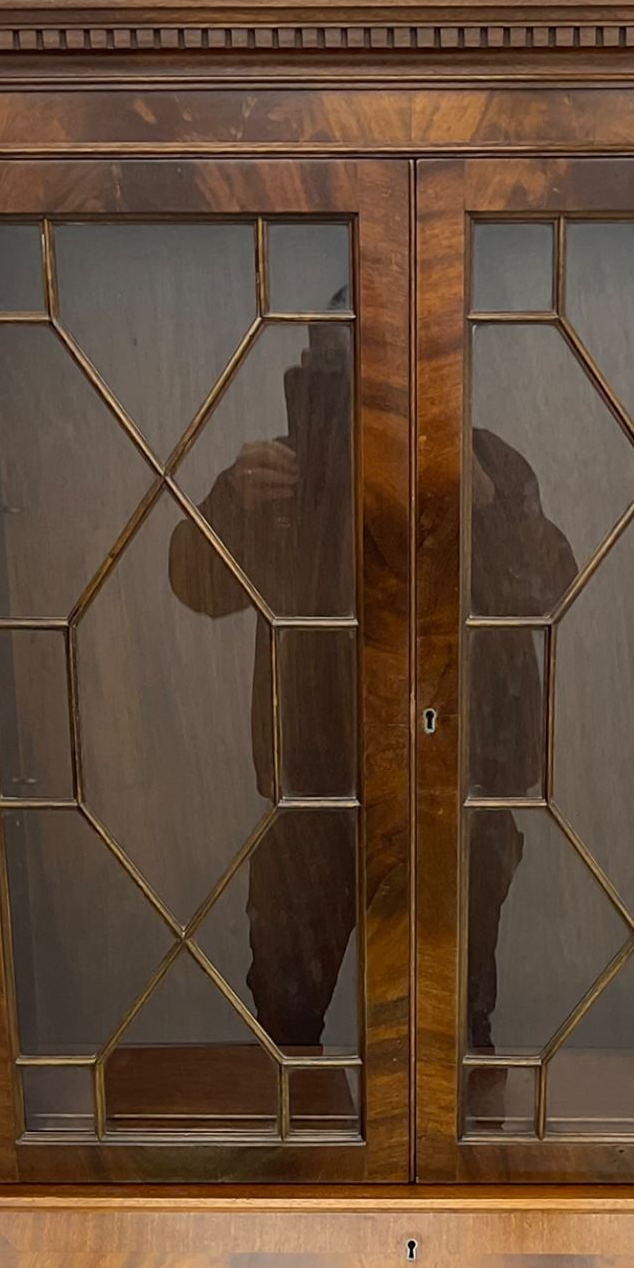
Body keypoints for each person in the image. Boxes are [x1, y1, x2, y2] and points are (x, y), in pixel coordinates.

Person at [170, 323, 576, 1060]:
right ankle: (307, 1169)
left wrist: (482, 503)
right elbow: (196, 586)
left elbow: (545, 587)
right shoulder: (289, 475)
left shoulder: (485, 463)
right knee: (286, 1022)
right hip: (315, 789)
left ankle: (456, 1164)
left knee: (456, 1019)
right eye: (349, 380)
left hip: (458, 786)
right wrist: (232, 502)